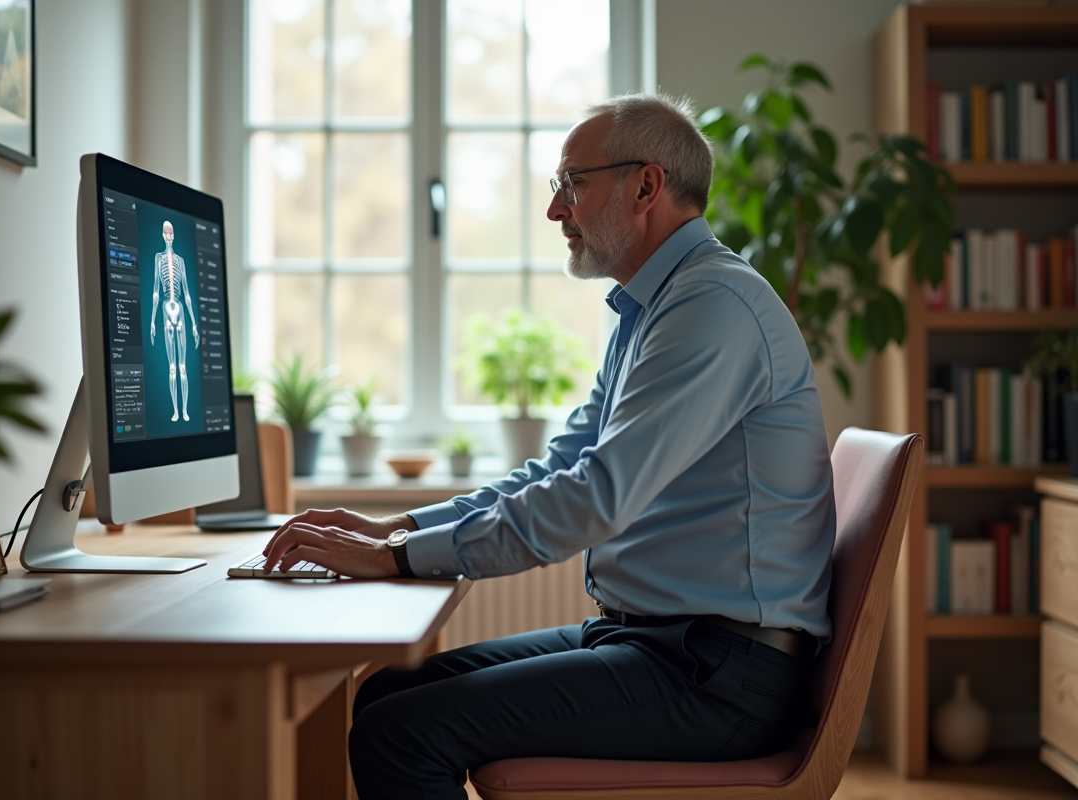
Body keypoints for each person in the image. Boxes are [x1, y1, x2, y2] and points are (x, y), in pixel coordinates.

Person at [262, 93, 836, 800]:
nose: (555, 210)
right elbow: (562, 465)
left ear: (646, 186)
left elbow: (596, 497)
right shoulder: (653, 309)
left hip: (717, 675)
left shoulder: (712, 307)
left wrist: (399, 560)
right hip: (661, 645)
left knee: (399, 733)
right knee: (388, 695)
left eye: (573, 183)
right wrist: (403, 528)